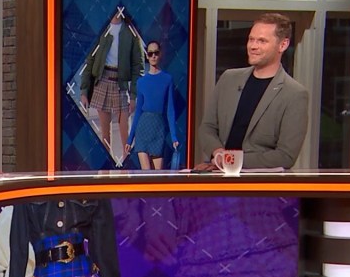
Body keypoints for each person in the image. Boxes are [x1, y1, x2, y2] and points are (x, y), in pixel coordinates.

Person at [197, 12, 309, 170]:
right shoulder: (228, 79)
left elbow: (285, 156)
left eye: (262, 41)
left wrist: (230, 161)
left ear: (283, 45)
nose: (253, 46)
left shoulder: (294, 94)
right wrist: (218, 153)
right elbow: (207, 127)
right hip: (219, 175)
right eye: (251, 39)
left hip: (258, 182)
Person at [79, 11, 144, 160]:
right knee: (105, 134)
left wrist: (133, 96)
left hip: (121, 84)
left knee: (126, 134)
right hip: (103, 80)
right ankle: (106, 168)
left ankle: (127, 166)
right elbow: (90, 60)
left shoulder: (131, 31)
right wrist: (84, 91)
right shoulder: (102, 28)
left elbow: (138, 67)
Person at [126, 40, 179, 170]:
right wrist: (130, 139)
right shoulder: (141, 82)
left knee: (157, 175)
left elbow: (170, 110)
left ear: (160, 54)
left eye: (156, 53)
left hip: (158, 128)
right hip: (143, 128)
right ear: (147, 56)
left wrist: (174, 137)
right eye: (150, 53)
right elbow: (138, 111)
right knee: (146, 174)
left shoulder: (167, 79)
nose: (153, 56)